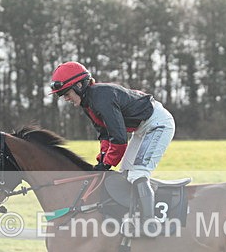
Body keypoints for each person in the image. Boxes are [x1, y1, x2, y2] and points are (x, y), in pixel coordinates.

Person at [50, 61, 176, 236]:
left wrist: (107, 163)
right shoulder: (88, 103)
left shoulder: (102, 98)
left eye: (66, 93)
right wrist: (102, 161)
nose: (65, 98)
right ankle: (133, 216)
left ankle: (150, 223)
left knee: (138, 173)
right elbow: (104, 134)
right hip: (142, 128)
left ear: (79, 86)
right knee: (126, 172)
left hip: (158, 124)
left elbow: (119, 139)